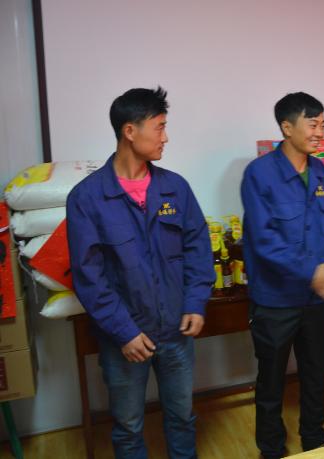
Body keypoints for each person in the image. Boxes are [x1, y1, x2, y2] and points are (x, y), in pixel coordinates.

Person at [67, 86, 215, 458]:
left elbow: (198, 250)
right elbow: (89, 276)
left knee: (182, 417)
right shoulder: (87, 198)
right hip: (125, 339)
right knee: (129, 427)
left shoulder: (175, 188)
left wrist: (195, 303)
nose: (166, 137)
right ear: (130, 131)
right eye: (159, 127)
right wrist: (124, 332)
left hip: (176, 330)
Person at [240, 92, 324, 458]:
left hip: (317, 300)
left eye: (323, 124)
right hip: (276, 301)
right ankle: (271, 448)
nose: (320, 132)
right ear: (287, 128)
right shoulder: (259, 174)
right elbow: (263, 240)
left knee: (316, 375)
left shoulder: (320, 171)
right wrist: (311, 272)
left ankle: (314, 441)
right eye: (312, 124)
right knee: (271, 381)